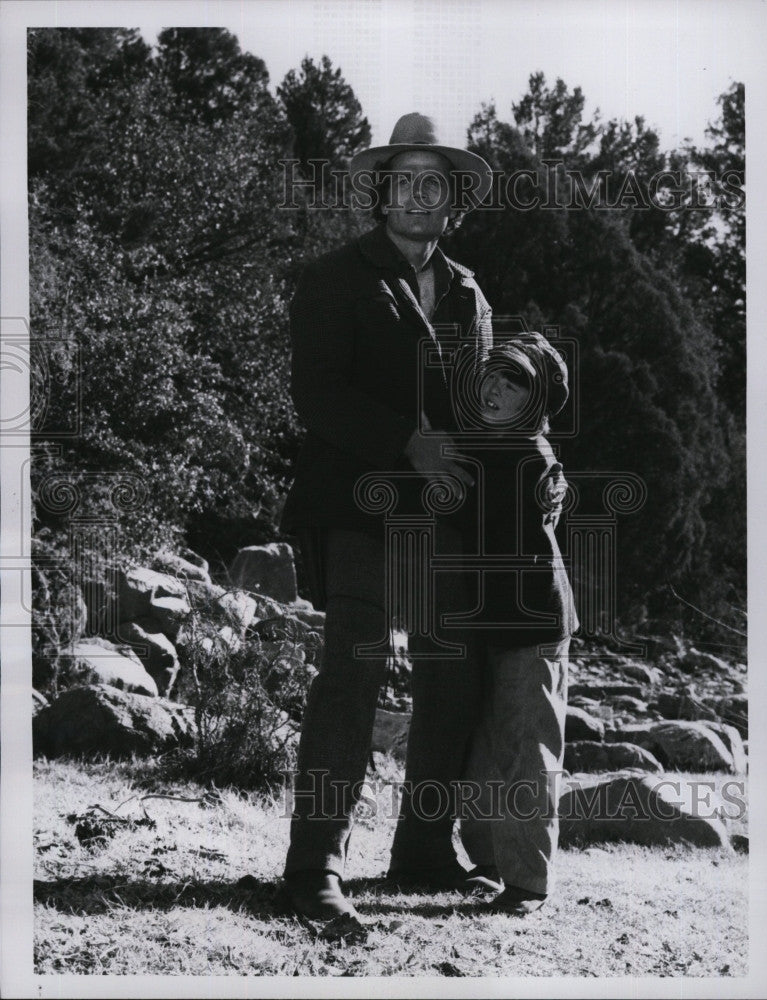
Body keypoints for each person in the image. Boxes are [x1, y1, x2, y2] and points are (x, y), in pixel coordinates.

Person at [276, 113, 499, 921]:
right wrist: (407, 443)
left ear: (453, 201)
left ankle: (423, 852)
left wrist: (517, 470)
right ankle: (314, 869)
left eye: (432, 181)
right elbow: (317, 394)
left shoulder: (469, 289)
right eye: (402, 178)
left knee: (452, 676)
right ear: (382, 193)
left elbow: (476, 406)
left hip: (444, 517)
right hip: (355, 506)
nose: (416, 193)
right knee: (353, 675)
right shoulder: (335, 276)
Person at [452, 333, 579, 916]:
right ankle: (491, 865)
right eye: (493, 373)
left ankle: (527, 884)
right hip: (488, 621)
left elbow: (547, 480)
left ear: (539, 401)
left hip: (532, 623)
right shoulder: (479, 443)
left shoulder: (531, 453)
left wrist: (554, 482)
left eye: (517, 379)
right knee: (484, 750)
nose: (497, 385)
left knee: (527, 751)